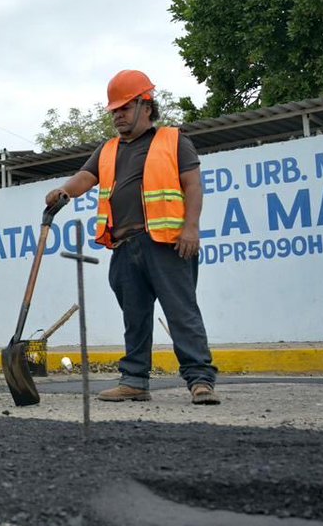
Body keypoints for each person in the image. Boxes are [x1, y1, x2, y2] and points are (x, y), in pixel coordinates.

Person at [45, 69, 219, 405]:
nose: (118, 116)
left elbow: (193, 185)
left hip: (167, 244)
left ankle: (200, 380)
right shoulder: (108, 149)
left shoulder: (173, 140)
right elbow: (86, 176)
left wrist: (191, 228)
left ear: (146, 106)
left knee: (181, 313)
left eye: (124, 108)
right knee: (134, 318)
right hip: (125, 247)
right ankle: (135, 381)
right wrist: (65, 192)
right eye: (114, 111)